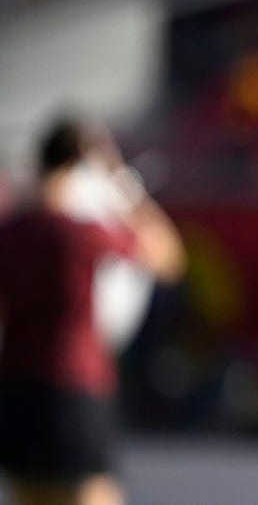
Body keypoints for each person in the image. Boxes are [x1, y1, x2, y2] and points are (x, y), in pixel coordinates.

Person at [0, 117, 186, 505]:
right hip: (74, 391)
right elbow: (168, 256)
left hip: (15, 391)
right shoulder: (79, 234)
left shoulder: (12, 232)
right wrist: (121, 181)